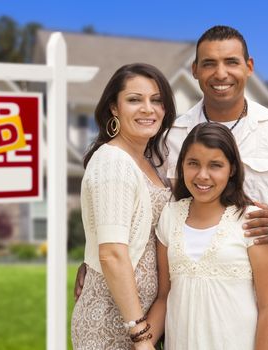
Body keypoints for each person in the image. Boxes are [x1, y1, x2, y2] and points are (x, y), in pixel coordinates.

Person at [75, 25, 268, 349]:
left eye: (231, 62)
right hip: (181, 316)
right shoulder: (169, 135)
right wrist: (97, 261)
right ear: (195, 70)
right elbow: (132, 199)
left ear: (249, 67)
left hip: (261, 319)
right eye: (209, 63)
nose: (220, 73)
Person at [70, 63, 176, 350]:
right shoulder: (113, 161)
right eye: (134, 100)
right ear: (114, 108)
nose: (148, 109)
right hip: (112, 320)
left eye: (156, 100)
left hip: (141, 320)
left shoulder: (150, 162)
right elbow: (112, 254)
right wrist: (140, 336)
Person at [152, 122, 268, 349]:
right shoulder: (170, 216)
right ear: (182, 165)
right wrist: (141, 343)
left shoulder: (253, 221)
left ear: (231, 169)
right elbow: (164, 297)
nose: (203, 175)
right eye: (193, 164)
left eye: (215, 165)